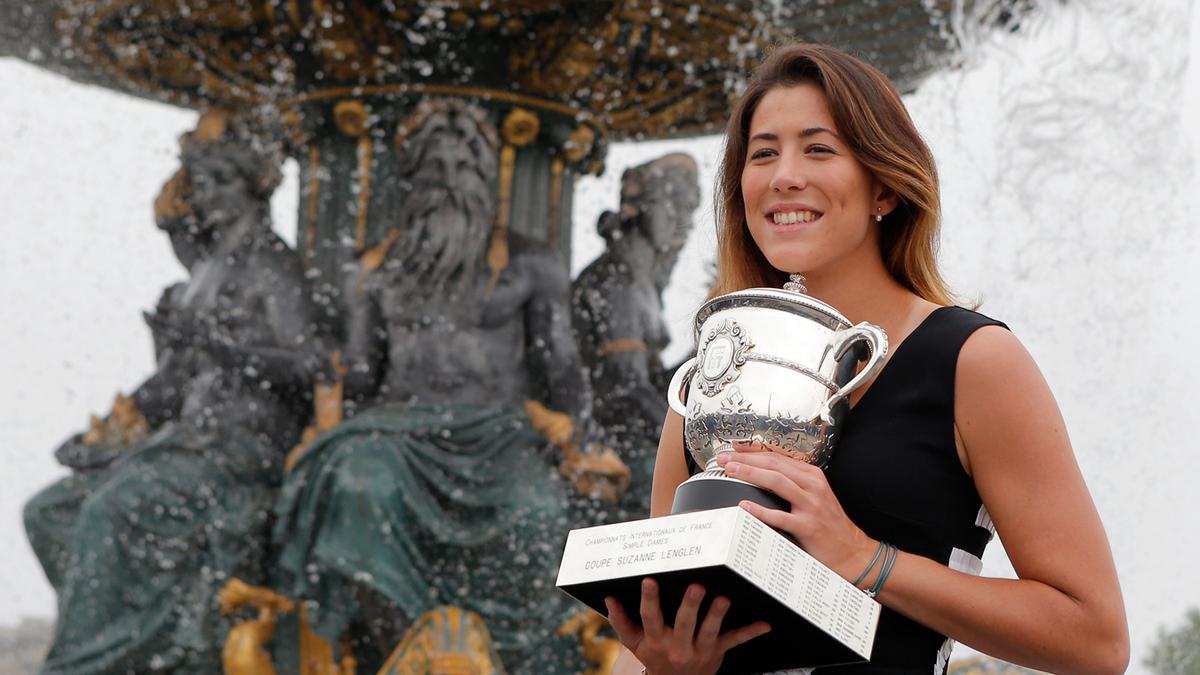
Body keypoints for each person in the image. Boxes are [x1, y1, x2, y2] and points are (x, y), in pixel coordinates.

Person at [607, 43, 1129, 675]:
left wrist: (866, 559)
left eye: (818, 148)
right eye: (763, 153)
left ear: (884, 186)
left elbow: (1095, 641)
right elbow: (657, 624)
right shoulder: (709, 379)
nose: (783, 176)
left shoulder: (974, 360)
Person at [271, 99, 612, 674]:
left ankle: (517, 660)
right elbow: (358, 373)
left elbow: (561, 365)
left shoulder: (532, 263)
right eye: (434, 170)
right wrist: (316, 379)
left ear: (485, 178)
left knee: (538, 512)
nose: (450, 182)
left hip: (500, 433)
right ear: (410, 180)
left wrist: (580, 432)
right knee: (358, 486)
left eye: (463, 169)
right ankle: (403, 654)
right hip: (394, 432)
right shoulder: (373, 269)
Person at [25, 110, 327, 674]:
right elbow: (175, 384)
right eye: (201, 183)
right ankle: (144, 644)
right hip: (183, 446)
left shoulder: (271, 264)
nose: (205, 196)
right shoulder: (206, 275)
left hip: (242, 452)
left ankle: (88, 663)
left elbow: (312, 362)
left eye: (220, 182)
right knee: (52, 511)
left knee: (114, 510)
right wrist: (110, 434)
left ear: (255, 188)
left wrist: (221, 347)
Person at [572, 152, 700, 518]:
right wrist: (688, 440)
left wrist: (705, 355)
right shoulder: (619, 279)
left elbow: (644, 380)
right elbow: (626, 386)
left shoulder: (639, 276)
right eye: (672, 203)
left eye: (689, 208)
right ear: (641, 207)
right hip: (601, 430)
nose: (684, 221)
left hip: (617, 422)